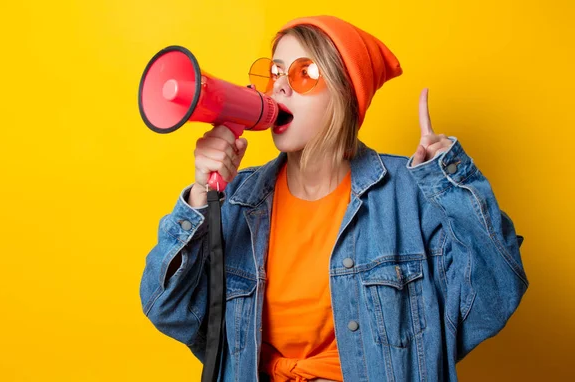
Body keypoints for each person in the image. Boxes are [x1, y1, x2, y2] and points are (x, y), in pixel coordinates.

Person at [139, 15, 528, 382]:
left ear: (346, 94)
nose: (279, 86)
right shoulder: (238, 199)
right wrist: (200, 195)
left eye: (304, 73)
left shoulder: (411, 195)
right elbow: (171, 311)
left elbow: (493, 298)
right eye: (274, 72)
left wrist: (448, 179)